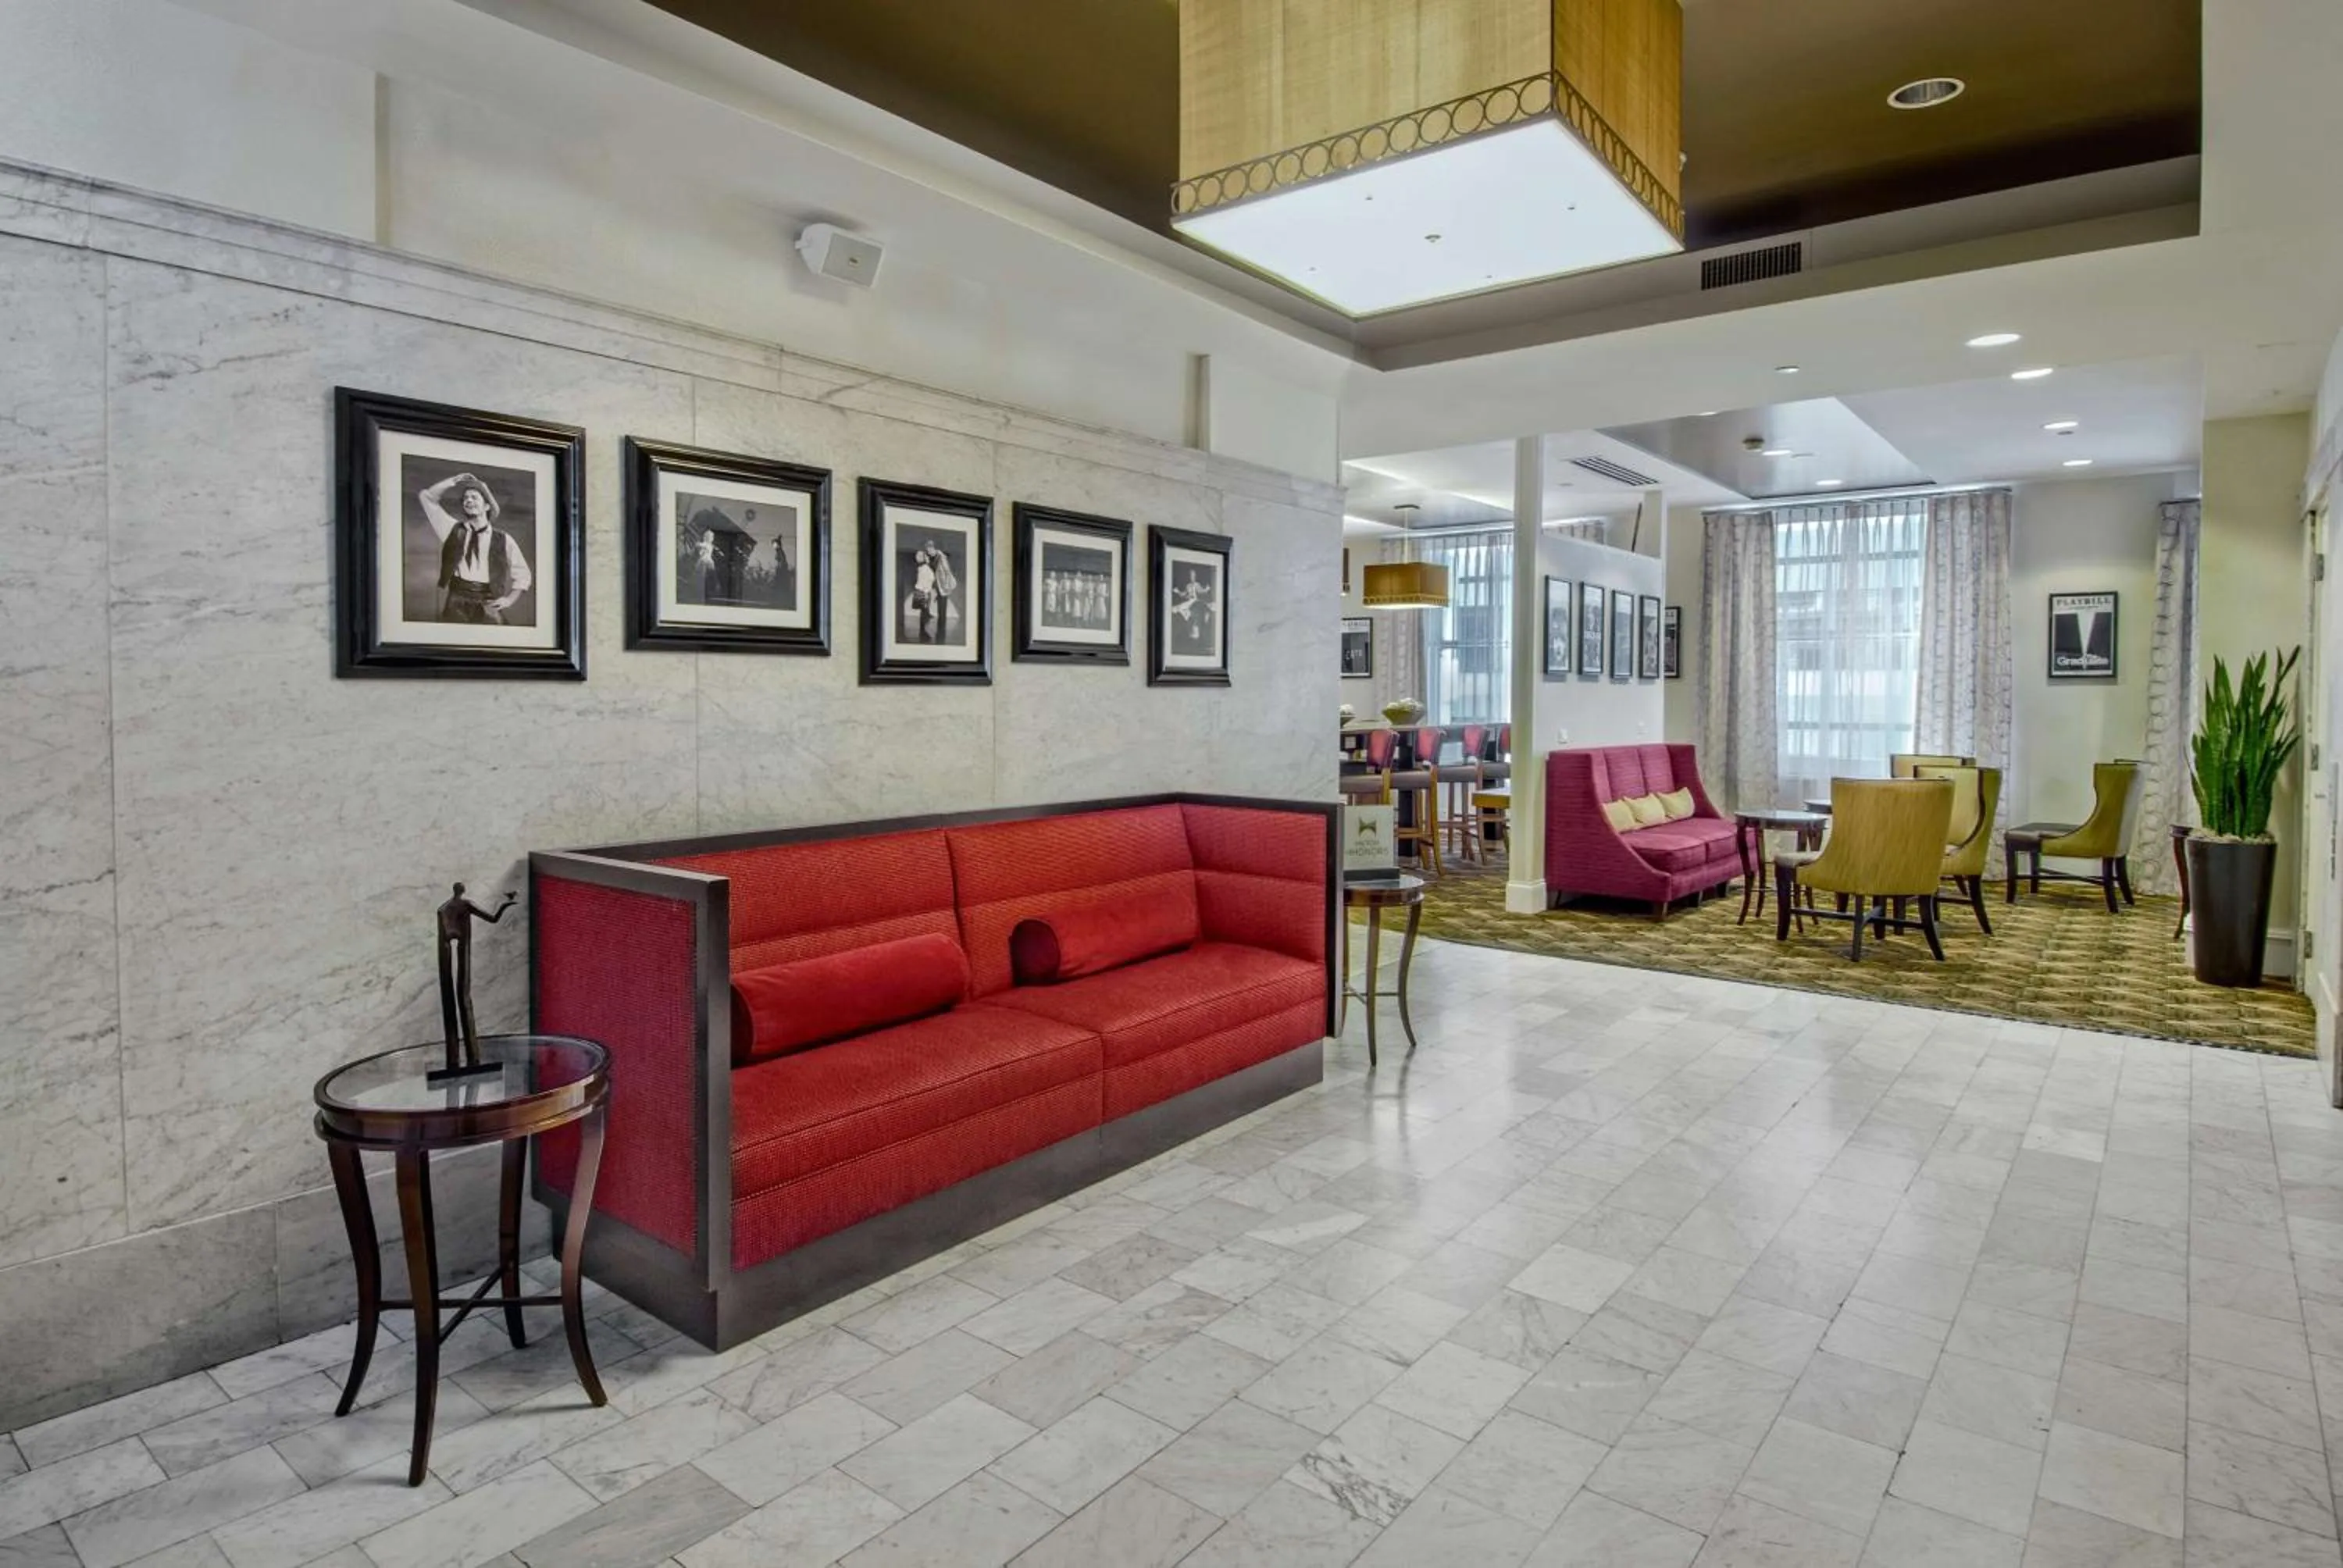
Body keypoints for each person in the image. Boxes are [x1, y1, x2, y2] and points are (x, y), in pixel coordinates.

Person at [419, 471, 531, 625]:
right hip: (456, 600)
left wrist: (509, 600)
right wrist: (454, 480)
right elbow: (426, 498)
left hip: (488, 601)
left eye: (474, 497)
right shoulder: (451, 529)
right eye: (465, 498)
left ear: (487, 506)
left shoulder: (504, 540)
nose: (468, 501)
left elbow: (523, 573)